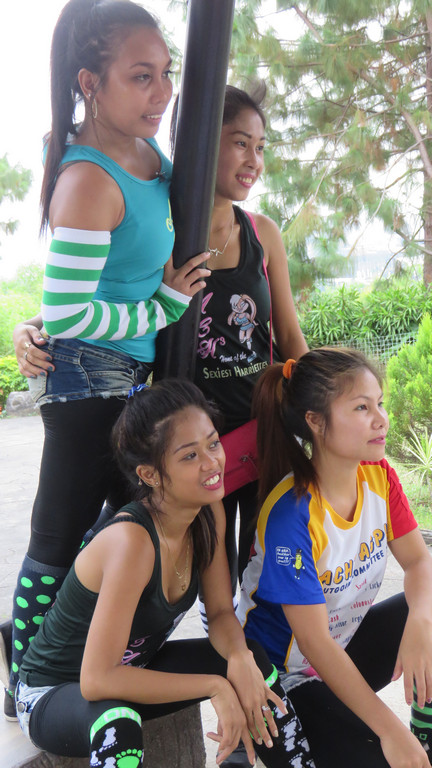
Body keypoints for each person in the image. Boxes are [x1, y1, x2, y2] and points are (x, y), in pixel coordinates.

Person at [3, 0, 211, 720]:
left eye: (167, 73)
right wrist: (163, 308)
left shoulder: (147, 154)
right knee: (61, 531)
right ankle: (25, 680)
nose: (163, 93)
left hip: (124, 373)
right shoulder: (89, 180)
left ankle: (82, 655)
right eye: (141, 76)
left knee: (114, 527)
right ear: (91, 83)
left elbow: (87, 290)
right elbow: (67, 316)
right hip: (87, 377)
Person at [15, 379, 316, 768]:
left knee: (251, 661)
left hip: (132, 671)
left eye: (213, 444)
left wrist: (238, 657)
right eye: (189, 456)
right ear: (151, 474)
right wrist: (214, 685)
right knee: (118, 723)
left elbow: (220, 613)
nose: (211, 463)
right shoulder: (132, 542)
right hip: (55, 694)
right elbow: (97, 680)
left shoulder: (208, 513)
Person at [237, 348, 432, 768]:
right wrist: (390, 731)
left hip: (340, 650)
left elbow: (419, 563)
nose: (381, 419)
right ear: (315, 421)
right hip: (282, 681)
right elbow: (314, 644)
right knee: (381, 756)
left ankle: (425, 736)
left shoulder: (378, 476)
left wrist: (420, 621)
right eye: (362, 407)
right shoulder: (292, 515)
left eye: (379, 403)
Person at [172, 84, 308, 611]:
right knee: (210, 576)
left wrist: (322, 407)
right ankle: (223, 651)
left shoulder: (261, 233)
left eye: (261, 146)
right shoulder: (166, 231)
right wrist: (33, 325)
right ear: (203, 142)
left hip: (264, 430)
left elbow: (290, 337)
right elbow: (109, 293)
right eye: (240, 143)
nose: (254, 161)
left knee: (267, 564)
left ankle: (264, 659)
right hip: (196, 443)